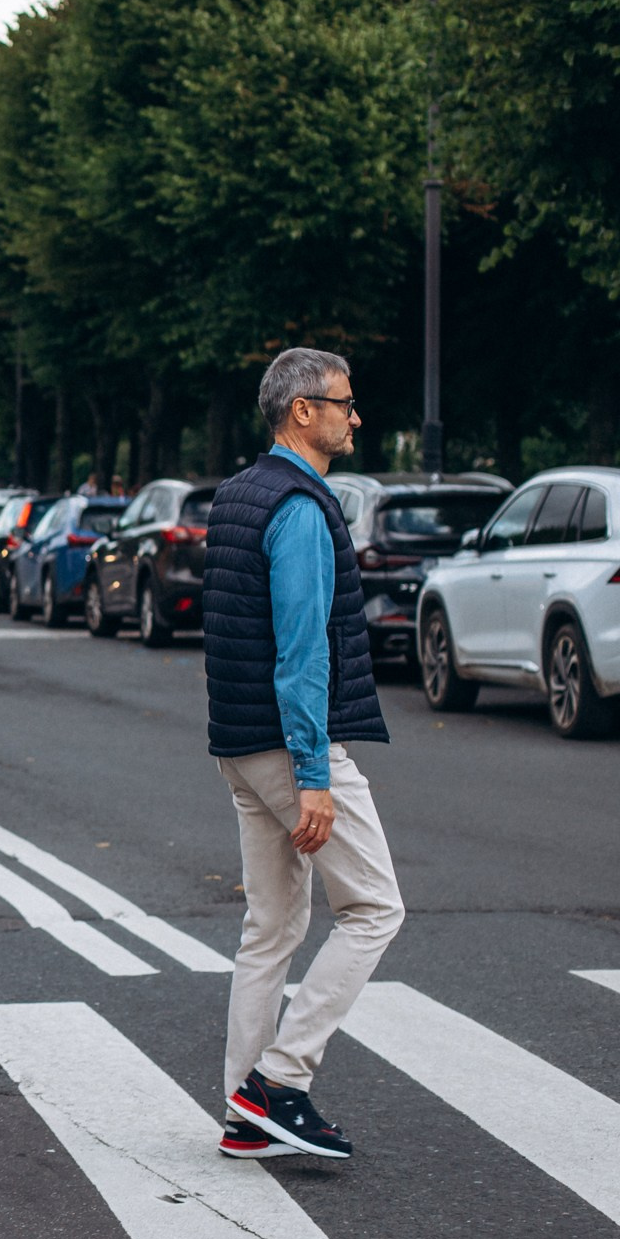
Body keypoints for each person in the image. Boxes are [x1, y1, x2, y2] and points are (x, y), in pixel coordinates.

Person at [201, 347, 399, 1162]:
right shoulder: (300, 510)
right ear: (302, 413)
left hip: (240, 743)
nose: (356, 416)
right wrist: (315, 775)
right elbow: (302, 652)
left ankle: (247, 1113)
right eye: (344, 403)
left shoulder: (239, 494)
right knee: (376, 908)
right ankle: (280, 1082)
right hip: (290, 747)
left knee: (272, 927)